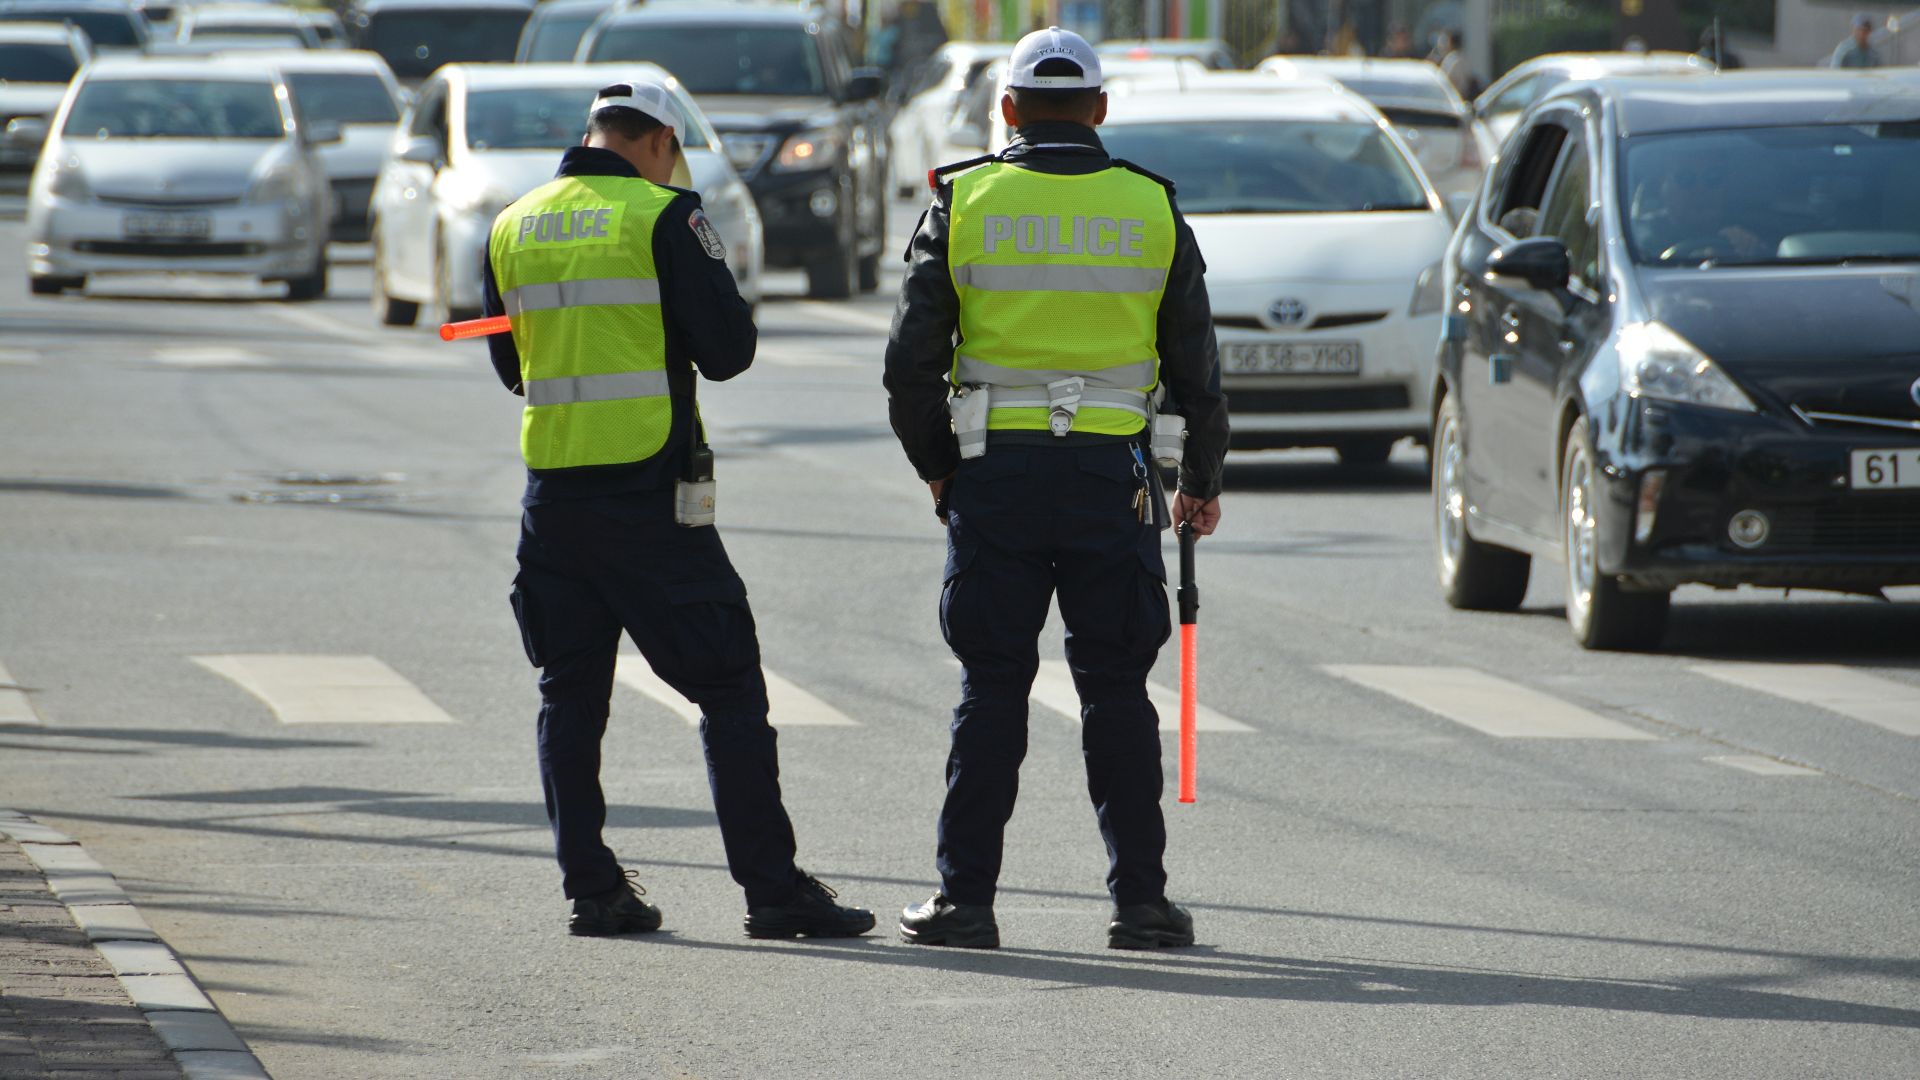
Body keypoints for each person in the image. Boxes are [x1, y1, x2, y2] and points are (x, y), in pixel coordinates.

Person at [481, 76, 875, 941]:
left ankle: (592, 889)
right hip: (650, 500)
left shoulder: (514, 223)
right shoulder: (664, 217)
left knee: (569, 694)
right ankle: (772, 890)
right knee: (729, 688)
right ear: (658, 141)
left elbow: (513, 367)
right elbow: (729, 351)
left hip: (552, 498)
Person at [883, 27, 1229, 951]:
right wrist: (1199, 479)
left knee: (991, 684)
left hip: (995, 475)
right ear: (1101, 110)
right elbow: (1197, 364)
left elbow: (910, 365)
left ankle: (965, 902)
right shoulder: (1151, 207)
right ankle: (1141, 904)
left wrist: (939, 466)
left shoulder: (966, 199)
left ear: (1007, 109)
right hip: (1110, 482)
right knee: (1117, 689)